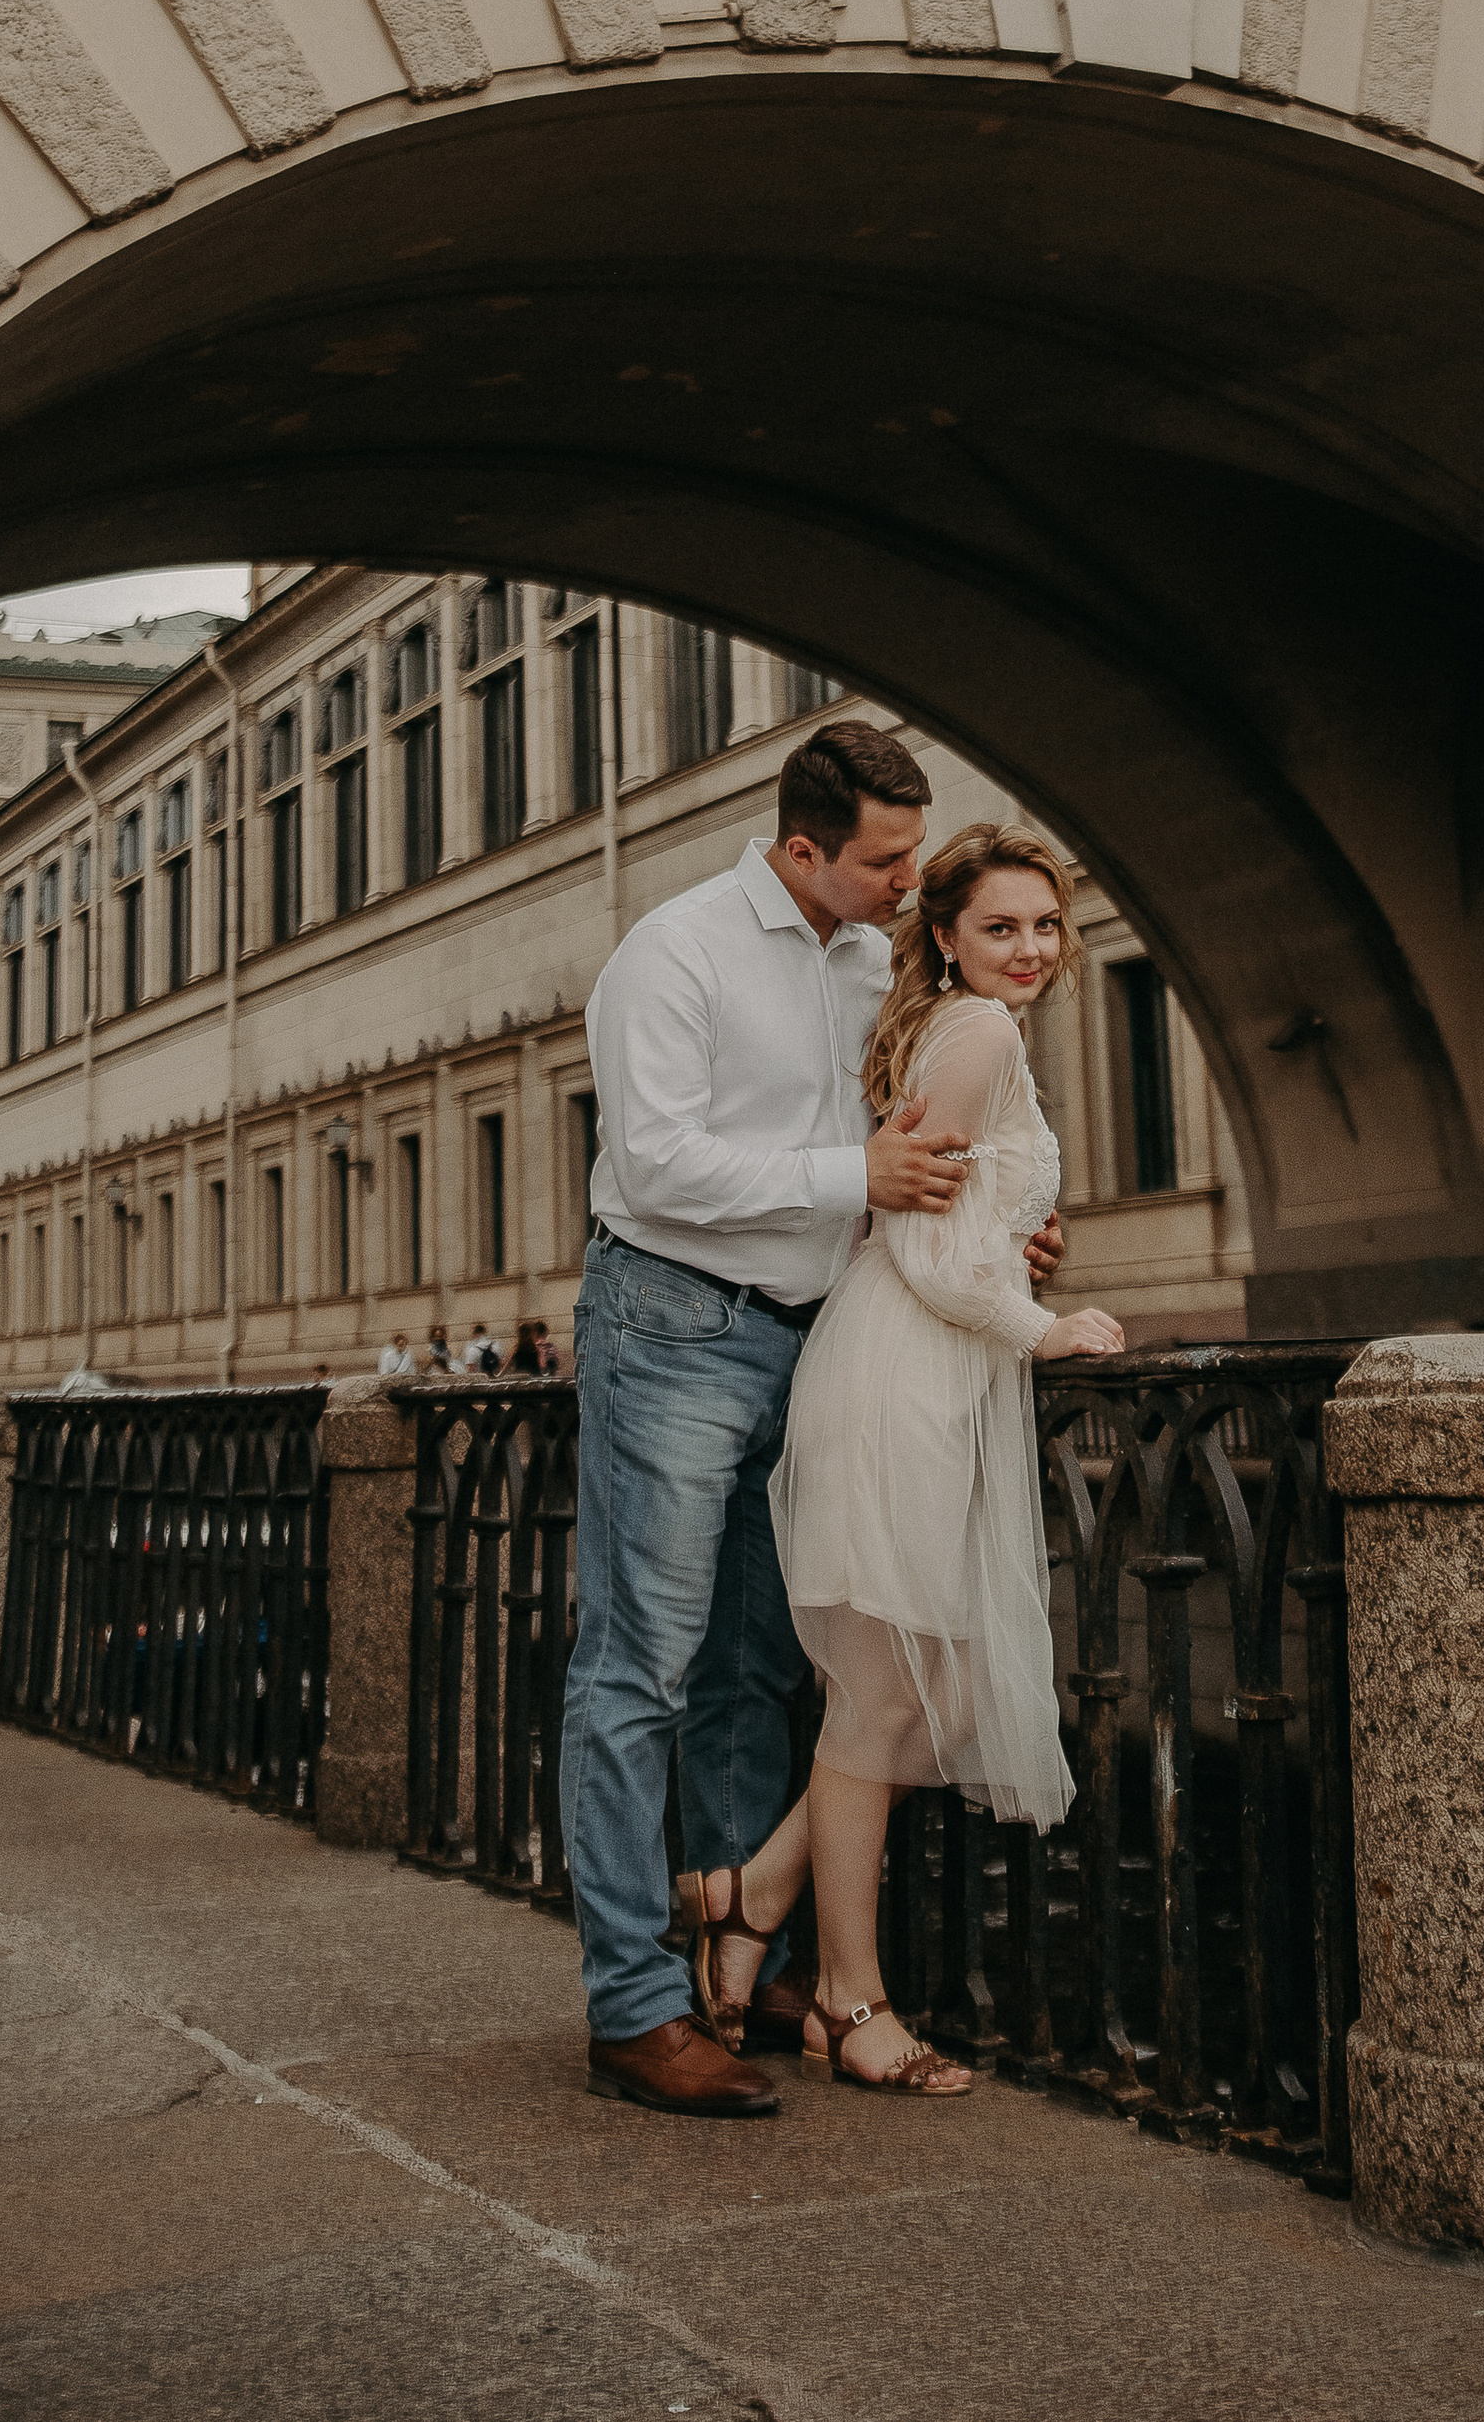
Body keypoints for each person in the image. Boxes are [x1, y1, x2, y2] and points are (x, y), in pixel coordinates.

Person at [563, 720, 996, 2120]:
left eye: (914, 852)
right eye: (884, 859)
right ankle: (633, 2005)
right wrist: (855, 1173)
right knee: (638, 1666)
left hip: (815, 1343)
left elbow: (904, 1157)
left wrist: (983, 1234)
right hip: (670, 1330)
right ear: (802, 848)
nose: (908, 880)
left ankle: (744, 1963)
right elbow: (656, 1162)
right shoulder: (674, 953)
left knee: (761, 1663)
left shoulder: (873, 961)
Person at [676, 826, 1122, 2094]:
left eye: (1046, 924)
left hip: (916, 1371)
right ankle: (849, 1999)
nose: (1030, 949)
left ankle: (753, 1892)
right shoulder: (977, 1033)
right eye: (1001, 927)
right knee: (884, 1702)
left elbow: (953, 1214)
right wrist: (1043, 1326)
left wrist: (1016, 1252)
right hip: (902, 1379)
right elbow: (920, 1243)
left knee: (932, 1696)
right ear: (947, 936)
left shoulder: (957, 1026)